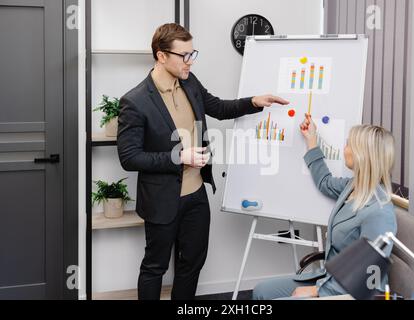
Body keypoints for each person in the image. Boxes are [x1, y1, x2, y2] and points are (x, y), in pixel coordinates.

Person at [117, 23, 289, 300]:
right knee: (155, 267)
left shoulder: (189, 82)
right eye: (184, 55)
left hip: (196, 195)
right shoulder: (135, 101)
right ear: (161, 56)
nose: (191, 61)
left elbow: (218, 107)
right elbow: (129, 157)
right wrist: (178, 157)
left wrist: (254, 101)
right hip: (162, 201)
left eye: (192, 53)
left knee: (192, 264)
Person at [253, 114, 398, 300]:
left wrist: (318, 291)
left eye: (348, 144)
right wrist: (311, 140)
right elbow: (325, 182)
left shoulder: (380, 211)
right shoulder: (353, 186)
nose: (344, 149)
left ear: (362, 154)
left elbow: (367, 273)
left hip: (351, 291)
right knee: (261, 291)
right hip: (329, 277)